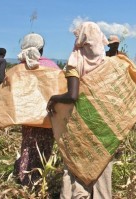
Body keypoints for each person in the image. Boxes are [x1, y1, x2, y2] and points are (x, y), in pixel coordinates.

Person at [47, 22, 113, 199]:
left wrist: (54, 99)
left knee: (76, 165)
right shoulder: (108, 63)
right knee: (102, 164)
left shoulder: (76, 60)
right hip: (105, 123)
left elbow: (73, 95)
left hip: (81, 122)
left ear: (82, 38)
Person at [13, 33, 59, 186]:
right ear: (42, 48)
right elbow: (59, 89)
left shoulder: (19, 67)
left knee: (28, 144)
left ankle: (24, 177)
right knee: (44, 146)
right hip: (48, 115)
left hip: (27, 116)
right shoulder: (52, 66)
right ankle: (39, 180)